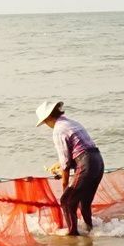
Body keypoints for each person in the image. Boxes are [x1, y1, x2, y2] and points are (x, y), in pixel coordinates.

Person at [37, 99, 103, 235]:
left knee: (66, 201)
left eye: (45, 122)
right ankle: (90, 230)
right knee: (84, 202)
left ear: (49, 117)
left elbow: (66, 163)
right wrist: (59, 166)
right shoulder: (71, 123)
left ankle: (73, 235)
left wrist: (64, 186)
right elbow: (80, 150)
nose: (46, 125)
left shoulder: (58, 130)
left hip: (87, 163)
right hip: (98, 161)